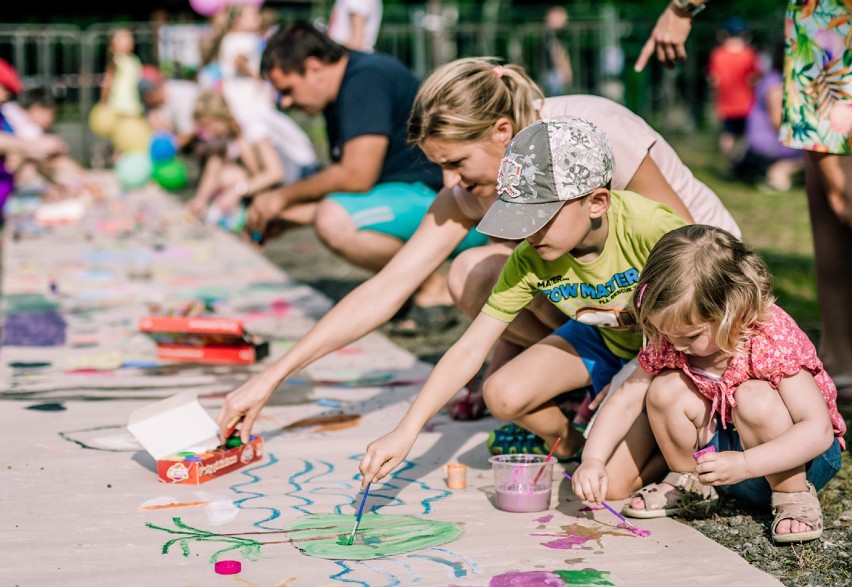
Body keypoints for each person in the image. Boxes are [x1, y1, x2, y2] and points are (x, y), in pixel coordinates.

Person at [215, 56, 740, 449]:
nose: (450, 182)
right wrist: (269, 378)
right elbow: (386, 288)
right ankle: (579, 389)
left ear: (502, 132)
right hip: (609, 304)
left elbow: (686, 249)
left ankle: (625, 389)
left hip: (697, 284)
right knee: (471, 270)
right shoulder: (470, 191)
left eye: (457, 162)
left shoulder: (584, 132)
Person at [356, 116, 687, 494]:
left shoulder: (650, 229)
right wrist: (405, 431)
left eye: (541, 218)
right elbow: (470, 347)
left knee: (610, 488)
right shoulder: (531, 256)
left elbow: (707, 307)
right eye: (520, 219)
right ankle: (572, 442)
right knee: (501, 393)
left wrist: (632, 379)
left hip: (664, 358)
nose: (529, 234)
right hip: (604, 342)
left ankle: (678, 461)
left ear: (597, 202)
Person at [572, 224, 845, 543]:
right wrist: (592, 460)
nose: (677, 344)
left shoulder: (771, 339)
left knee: (753, 396)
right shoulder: (673, 338)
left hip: (798, 459)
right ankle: (689, 481)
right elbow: (626, 399)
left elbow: (818, 429)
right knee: (664, 388)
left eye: (690, 336)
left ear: (734, 309)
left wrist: (745, 463)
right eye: (667, 334)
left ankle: (793, 497)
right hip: (724, 463)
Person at [635, 0, 852, 399]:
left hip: (833, 29)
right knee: (828, 205)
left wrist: (684, 8)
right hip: (824, 27)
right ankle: (841, 360)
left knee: (843, 200)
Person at [244, 21, 458, 318]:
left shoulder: (364, 80)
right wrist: (289, 219)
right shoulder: (347, 85)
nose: (287, 102)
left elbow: (356, 176)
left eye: (288, 90)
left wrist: (281, 197)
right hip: (415, 200)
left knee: (334, 221)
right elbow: (363, 192)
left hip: (450, 207)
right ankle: (419, 284)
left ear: (314, 67)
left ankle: (433, 288)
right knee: (331, 215)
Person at [185, 89, 318, 233]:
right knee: (226, 175)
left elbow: (275, 173)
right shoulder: (229, 127)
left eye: (208, 126)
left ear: (221, 117)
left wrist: (237, 191)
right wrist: (200, 199)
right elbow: (214, 166)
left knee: (241, 157)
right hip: (281, 169)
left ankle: (259, 201)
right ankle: (252, 199)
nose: (207, 133)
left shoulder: (251, 125)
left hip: (302, 169)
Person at [730, 43, 804, 192]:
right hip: (768, 144)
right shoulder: (775, 84)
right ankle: (781, 170)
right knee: (818, 149)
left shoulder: (776, 80)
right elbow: (777, 122)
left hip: (765, 142)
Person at [707, 18, 762, 165]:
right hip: (747, 103)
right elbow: (755, 77)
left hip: (725, 103)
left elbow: (714, 80)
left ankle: (730, 163)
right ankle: (740, 163)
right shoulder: (749, 54)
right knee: (744, 136)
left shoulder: (717, 54)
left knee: (728, 135)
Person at [541, 5, 573, 97]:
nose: (565, 20)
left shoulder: (551, 33)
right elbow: (557, 53)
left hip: (551, 71)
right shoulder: (552, 35)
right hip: (553, 72)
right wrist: (565, 69)